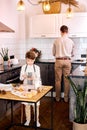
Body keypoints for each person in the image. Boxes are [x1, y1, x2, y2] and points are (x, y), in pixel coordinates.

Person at [52, 25, 75, 102]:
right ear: (67, 31)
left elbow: (53, 53)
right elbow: (72, 54)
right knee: (67, 80)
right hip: (67, 61)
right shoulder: (71, 41)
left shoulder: (56, 41)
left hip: (58, 61)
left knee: (58, 80)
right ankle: (66, 98)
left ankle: (57, 98)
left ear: (61, 31)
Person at [20, 51, 42, 127]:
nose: (30, 62)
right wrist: (24, 76)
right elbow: (20, 78)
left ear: (34, 60)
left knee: (36, 105)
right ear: (26, 59)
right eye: (28, 60)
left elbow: (39, 79)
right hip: (26, 88)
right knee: (27, 105)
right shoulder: (23, 67)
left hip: (34, 89)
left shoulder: (37, 68)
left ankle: (37, 121)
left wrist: (34, 78)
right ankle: (28, 120)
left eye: (32, 60)